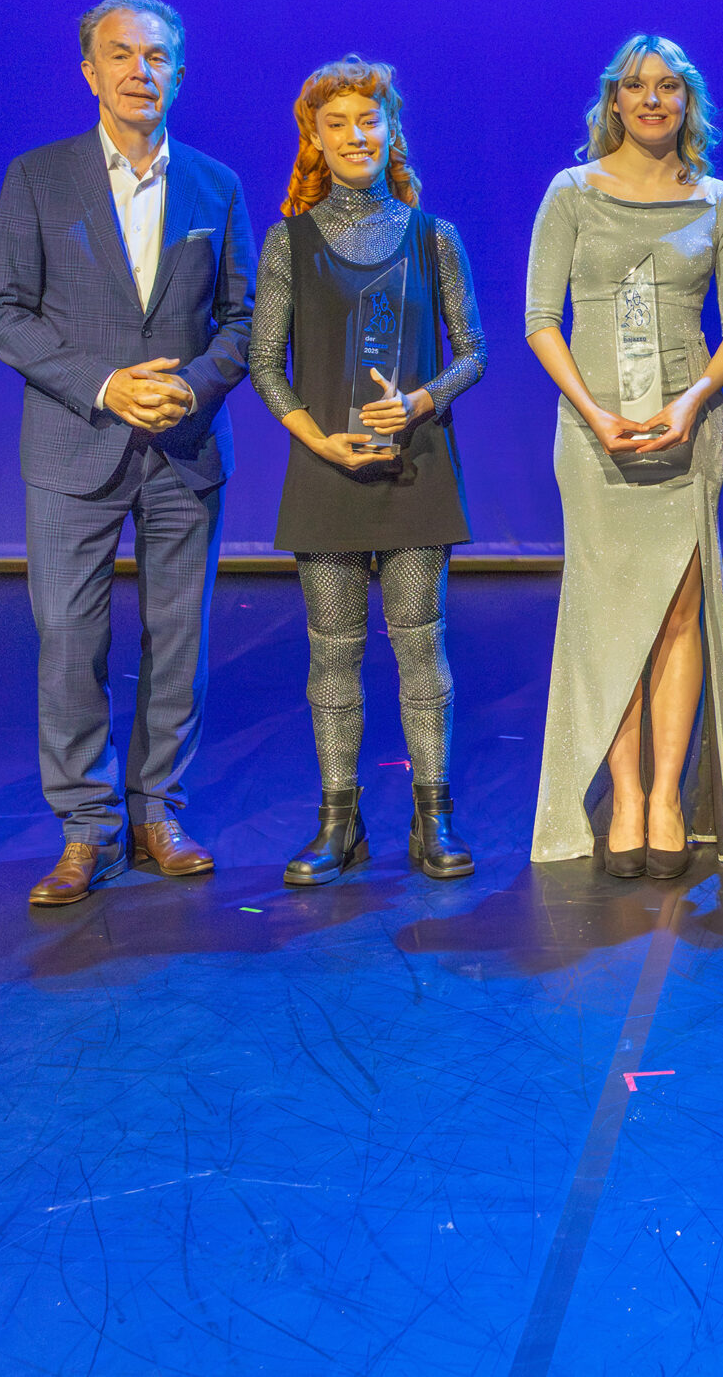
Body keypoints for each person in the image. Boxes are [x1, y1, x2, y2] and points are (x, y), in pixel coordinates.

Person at [0, 0, 256, 907]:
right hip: (74, 444)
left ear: (180, 72)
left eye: (158, 55)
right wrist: (105, 384)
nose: (141, 69)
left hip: (184, 447)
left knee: (179, 638)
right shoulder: (37, 177)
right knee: (69, 639)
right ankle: (86, 827)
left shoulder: (216, 184)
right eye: (122, 53)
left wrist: (194, 386)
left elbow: (246, 319)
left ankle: (158, 812)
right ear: (89, 71)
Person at [248, 57, 486, 886]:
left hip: (415, 472)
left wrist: (421, 400)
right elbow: (263, 362)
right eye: (337, 123)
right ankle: (338, 824)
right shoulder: (289, 241)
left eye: (368, 119)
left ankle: (434, 816)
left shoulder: (433, 236)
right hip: (328, 476)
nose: (356, 135)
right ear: (314, 137)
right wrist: (319, 441)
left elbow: (474, 351)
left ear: (391, 130)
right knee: (333, 655)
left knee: (422, 648)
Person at [525, 35, 723, 878]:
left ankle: (665, 797)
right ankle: (623, 795)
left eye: (668, 86)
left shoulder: (718, 202)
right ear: (613, 100)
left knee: (679, 612)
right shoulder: (572, 192)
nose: (652, 98)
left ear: (688, 100)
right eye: (636, 85)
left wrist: (691, 402)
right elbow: (540, 318)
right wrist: (593, 413)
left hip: (686, 431)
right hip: (596, 436)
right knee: (608, 612)